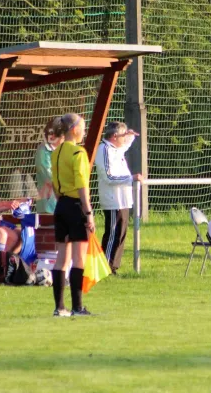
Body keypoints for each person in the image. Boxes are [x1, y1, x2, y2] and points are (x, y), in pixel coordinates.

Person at [51, 113, 95, 317]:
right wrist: (89, 213)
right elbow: (82, 186)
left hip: (60, 206)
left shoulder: (56, 152)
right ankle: (78, 307)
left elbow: (55, 185)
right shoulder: (79, 153)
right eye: (83, 127)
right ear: (74, 129)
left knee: (61, 258)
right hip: (76, 206)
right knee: (78, 259)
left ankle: (59, 307)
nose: (84, 131)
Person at [94, 121, 142, 274]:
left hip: (123, 200)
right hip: (113, 200)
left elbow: (125, 145)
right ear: (114, 136)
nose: (124, 139)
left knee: (121, 233)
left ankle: (113, 266)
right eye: (122, 135)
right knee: (113, 234)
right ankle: (105, 267)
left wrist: (130, 136)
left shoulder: (116, 148)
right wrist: (131, 178)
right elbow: (109, 177)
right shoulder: (104, 150)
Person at [35, 117, 64, 213]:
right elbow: (48, 177)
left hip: (63, 203)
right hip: (48, 206)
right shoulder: (43, 150)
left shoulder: (64, 150)